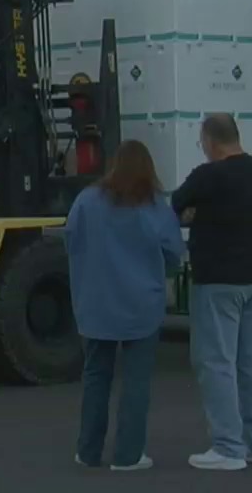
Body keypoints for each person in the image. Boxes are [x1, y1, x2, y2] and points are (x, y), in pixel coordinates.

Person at [64, 140, 185, 471]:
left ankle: (88, 451)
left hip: (96, 301)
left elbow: (70, 239)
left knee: (95, 376)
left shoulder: (87, 200)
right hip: (141, 305)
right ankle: (128, 455)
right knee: (136, 381)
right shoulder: (156, 206)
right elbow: (174, 254)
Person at [171, 113, 252, 471]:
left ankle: (228, 447)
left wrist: (196, 215)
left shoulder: (208, 175)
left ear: (209, 141)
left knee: (216, 361)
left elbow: (175, 205)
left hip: (219, 280)